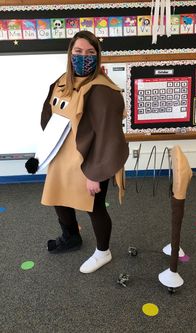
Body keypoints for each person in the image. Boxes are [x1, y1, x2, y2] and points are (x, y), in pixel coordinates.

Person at [26, 31, 129, 273]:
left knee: (94, 207)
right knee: (59, 198)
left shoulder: (105, 91)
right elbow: (50, 117)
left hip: (90, 161)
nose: (84, 57)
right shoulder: (63, 81)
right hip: (62, 158)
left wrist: (95, 173)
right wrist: (45, 151)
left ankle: (103, 252)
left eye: (90, 53)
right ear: (70, 55)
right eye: (78, 52)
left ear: (98, 56)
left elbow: (109, 136)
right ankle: (71, 236)